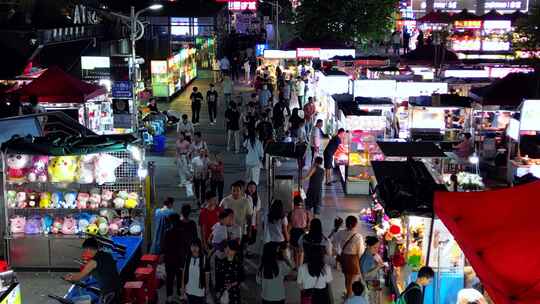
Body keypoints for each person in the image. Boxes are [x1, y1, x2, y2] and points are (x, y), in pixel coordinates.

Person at [64, 238, 121, 304]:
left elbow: (79, 277)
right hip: (117, 289)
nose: (84, 252)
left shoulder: (93, 262)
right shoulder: (108, 255)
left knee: (77, 301)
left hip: (107, 294)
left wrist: (69, 277)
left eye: (85, 250)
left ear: (88, 249)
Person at [162, 207, 198, 302]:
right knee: (180, 277)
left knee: (169, 278)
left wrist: (163, 256)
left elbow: (164, 247)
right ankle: (179, 294)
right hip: (180, 259)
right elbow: (186, 245)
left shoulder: (167, 233)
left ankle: (169, 297)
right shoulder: (182, 232)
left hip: (169, 260)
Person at [333, 216, 365, 298]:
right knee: (352, 280)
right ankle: (349, 296)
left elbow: (334, 244)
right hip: (353, 259)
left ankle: (348, 294)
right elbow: (360, 252)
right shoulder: (358, 236)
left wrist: (339, 253)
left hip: (344, 257)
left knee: (347, 278)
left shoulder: (340, 233)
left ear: (346, 223)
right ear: (355, 224)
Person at [181, 239, 210, 304]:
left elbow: (207, 275)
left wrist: (207, 287)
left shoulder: (205, 259)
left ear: (199, 247)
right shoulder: (187, 258)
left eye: (196, 246)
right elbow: (183, 273)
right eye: (192, 246)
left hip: (200, 291)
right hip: (189, 289)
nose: (194, 248)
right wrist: (182, 286)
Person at [360, 236, 385, 304]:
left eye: (378, 247)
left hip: (374, 283)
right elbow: (365, 276)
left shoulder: (371, 255)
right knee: (373, 300)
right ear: (368, 246)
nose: (377, 250)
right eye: (375, 247)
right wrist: (378, 267)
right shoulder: (366, 259)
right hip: (370, 284)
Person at [289, 195, 309, 270]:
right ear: (302, 203)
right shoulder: (305, 212)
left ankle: (297, 266)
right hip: (303, 232)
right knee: (301, 251)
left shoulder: (292, 212)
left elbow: (290, 225)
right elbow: (308, 224)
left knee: (295, 250)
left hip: (294, 232)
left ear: (294, 203)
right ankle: (300, 267)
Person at [245, 181, 261, 255]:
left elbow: (257, 211)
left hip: (253, 221)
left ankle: (247, 249)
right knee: (247, 236)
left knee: (253, 238)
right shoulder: (244, 197)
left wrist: (257, 222)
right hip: (246, 222)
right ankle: (246, 250)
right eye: (250, 187)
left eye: (254, 188)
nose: (252, 189)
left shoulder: (257, 197)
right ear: (247, 188)